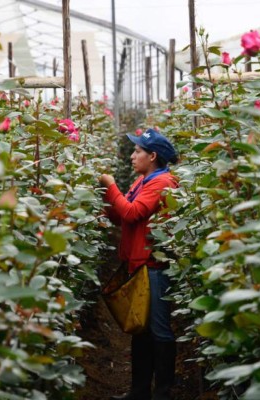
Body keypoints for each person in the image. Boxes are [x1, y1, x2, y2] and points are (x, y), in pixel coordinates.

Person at [99, 128, 179, 400]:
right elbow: (120, 216)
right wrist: (106, 198)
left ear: (152, 155)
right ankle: (139, 391)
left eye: (137, 151)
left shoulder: (162, 182)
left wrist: (111, 186)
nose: (132, 156)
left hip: (153, 267)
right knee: (141, 330)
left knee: (158, 330)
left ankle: (163, 393)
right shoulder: (142, 181)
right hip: (138, 264)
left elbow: (132, 213)